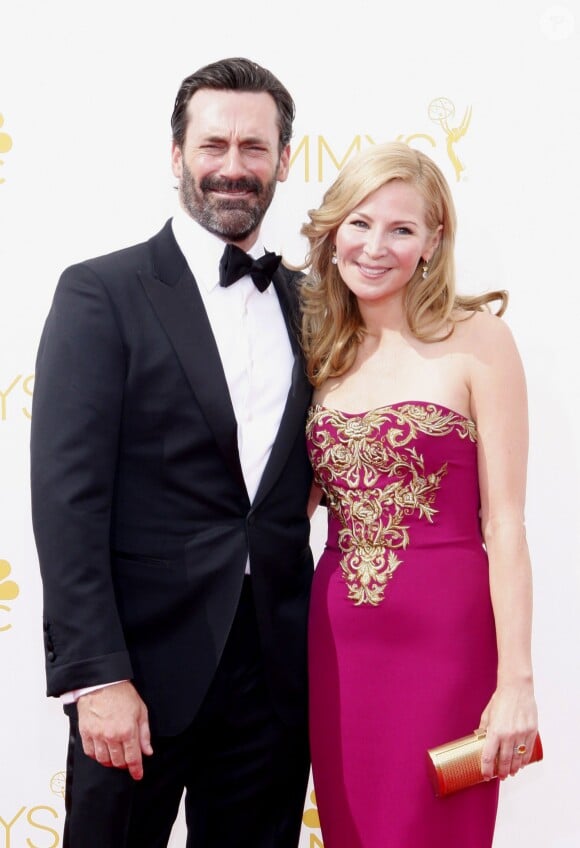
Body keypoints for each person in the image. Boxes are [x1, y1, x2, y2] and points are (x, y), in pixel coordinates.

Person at [30, 57, 313, 848]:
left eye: (255, 148)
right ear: (177, 154)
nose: (233, 167)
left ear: (284, 160)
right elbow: (67, 500)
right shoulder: (101, 293)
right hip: (139, 674)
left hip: (273, 676)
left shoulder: (309, 303)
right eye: (213, 145)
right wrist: (95, 675)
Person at [300, 141, 538, 847]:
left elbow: (506, 524)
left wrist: (518, 679)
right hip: (340, 644)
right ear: (333, 231)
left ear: (433, 243)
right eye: (360, 223)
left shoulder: (479, 341)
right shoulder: (319, 350)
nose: (376, 246)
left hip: (449, 645)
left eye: (402, 229)